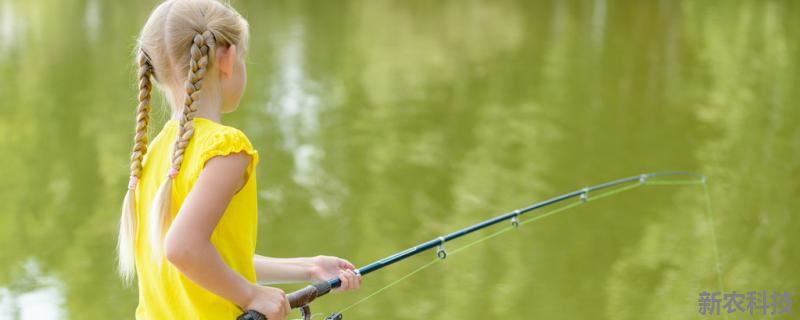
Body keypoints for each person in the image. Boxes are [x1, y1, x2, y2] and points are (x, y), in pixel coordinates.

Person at [116, 1, 361, 319]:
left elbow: (209, 261)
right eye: (244, 57)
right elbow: (182, 247)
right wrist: (250, 294)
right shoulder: (226, 148)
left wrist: (308, 267)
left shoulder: (153, 155)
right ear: (227, 59)